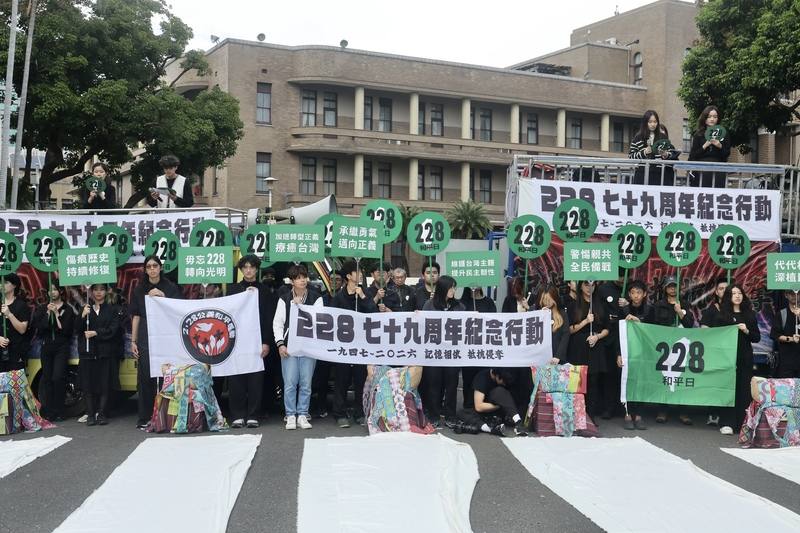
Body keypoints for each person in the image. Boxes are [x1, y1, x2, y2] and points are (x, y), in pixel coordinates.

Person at [130, 255, 182, 429]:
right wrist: (133, 340)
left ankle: (169, 415)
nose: (152, 269)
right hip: (146, 334)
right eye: (149, 266)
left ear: (160, 267)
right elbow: (136, 316)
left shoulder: (170, 287)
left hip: (167, 335)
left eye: (155, 265)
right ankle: (145, 417)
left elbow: (178, 311)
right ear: (145, 270)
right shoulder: (139, 289)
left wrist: (162, 296)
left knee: (167, 375)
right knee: (145, 376)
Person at [274, 263, 323, 430]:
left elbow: (319, 320)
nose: (302, 280)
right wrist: (280, 344)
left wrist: (300, 307)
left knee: (306, 382)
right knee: (289, 382)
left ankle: (302, 413)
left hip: (309, 346)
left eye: (304, 277)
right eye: (298, 278)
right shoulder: (284, 298)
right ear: (292, 281)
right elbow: (278, 323)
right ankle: (290, 415)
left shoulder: (316, 297)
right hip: (289, 346)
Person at [227, 255, 273, 428]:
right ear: (241, 269)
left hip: (257, 340)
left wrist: (266, 341)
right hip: (236, 340)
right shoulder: (233, 289)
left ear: (256, 269)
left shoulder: (265, 290)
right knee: (236, 377)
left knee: (256, 379)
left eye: (252, 267)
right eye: (245, 267)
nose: (248, 270)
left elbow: (269, 318)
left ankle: (254, 414)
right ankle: (237, 415)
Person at [331, 260, 377, 428]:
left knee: (360, 380)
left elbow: (374, 313)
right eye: (357, 272)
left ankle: (359, 412)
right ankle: (340, 413)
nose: (360, 275)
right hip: (343, 346)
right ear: (349, 276)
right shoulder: (339, 297)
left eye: (361, 272)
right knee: (341, 380)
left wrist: (363, 297)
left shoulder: (365, 293)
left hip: (361, 345)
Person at [714, 284, 760, 435]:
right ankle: (727, 422)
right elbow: (716, 337)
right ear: (728, 296)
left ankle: (743, 422)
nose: (737, 296)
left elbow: (756, 337)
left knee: (744, 390)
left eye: (739, 293)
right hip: (728, 358)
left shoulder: (750, 314)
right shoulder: (722, 315)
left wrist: (746, 330)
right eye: (733, 293)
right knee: (728, 389)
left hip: (745, 357)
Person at [422, 275, 465, 427]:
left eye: (454, 287)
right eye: (450, 287)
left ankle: (450, 415)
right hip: (434, 353)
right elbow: (422, 326)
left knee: (452, 386)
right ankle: (433, 415)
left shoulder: (459, 306)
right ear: (442, 289)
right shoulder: (429, 305)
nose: (453, 290)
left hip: (452, 354)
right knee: (434, 385)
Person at [76, 283, 121, 426]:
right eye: (95, 289)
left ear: (106, 292)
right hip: (88, 353)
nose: (98, 293)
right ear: (91, 291)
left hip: (104, 352)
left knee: (104, 384)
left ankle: (101, 413)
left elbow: (113, 330)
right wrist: (82, 316)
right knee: (88, 384)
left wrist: (97, 333)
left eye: (101, 289)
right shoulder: (85, 308)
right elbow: (76, 329)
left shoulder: (112, 310)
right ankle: (90, 414)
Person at [653, 275, 695, 425]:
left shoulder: (685, 304)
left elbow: (690, 324)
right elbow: (653, 325)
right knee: (664, 378)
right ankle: (662, 410)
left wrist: (679, 312)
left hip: (681, 347)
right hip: (664, 348)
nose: (672, 288)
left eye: (675, 286)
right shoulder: (658, 305)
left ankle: (683, 411)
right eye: (670, 286)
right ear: (665, 288)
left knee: (681, 377)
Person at [567, 280, 609, 422]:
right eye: (586, 284)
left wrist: (597, 336)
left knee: (593, 381)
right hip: (578, 346)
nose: (589, 287)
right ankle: (577, 414)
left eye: (592, 284)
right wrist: (585, 321)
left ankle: (590, 416)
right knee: (578, 381)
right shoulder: (574, 305)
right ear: (580, 286)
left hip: (595, 345)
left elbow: (607, 328)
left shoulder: (600, 304)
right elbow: (569, 330)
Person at [32, 283, 75, 421]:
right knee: (47, 378)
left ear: (61, 291)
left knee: (58, 377)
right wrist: (47, 313)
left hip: (61, 346)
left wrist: (56, 314)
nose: (53, 292)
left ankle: (60, 410)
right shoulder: (42, 308)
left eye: (55, 289)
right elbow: (39, 328)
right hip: (47, 346)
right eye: (50, 290)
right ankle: (49, 411)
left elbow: (66, 330)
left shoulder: (67, 309)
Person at [617, 279, 654, 430]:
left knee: (641, 382)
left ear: (644, 294)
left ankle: (638, 415)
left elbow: (654, 331)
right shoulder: (624, 310)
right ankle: (627, 413)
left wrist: (639, 322)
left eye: (639, 292)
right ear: (629, 295)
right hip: (627, 351)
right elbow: (617, 334)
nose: (636, 296)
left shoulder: (650, 310)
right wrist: (618, 354)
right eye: (633, 293)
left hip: (644, 352)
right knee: (626, 381)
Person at [596, 272, 628, 419]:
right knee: (608, 373)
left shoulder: (630, 289)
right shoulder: (603, 289)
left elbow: (637, 309)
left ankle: (623, 407)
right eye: (619, 275)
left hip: (626, 336)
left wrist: (627, 306)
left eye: (624, 275)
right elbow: (597, 308)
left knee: (623, 374)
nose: (622, 279)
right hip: (607, 336)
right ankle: (607, 407)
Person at [460, 287, 498, 409]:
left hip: (484, 347)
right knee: (468, 378)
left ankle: (483, 405)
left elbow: (494, 322)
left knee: (484, 377)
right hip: (468, 347)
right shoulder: (462, 302)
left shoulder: (489, 302)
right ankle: (468, 406)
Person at [455, 368, 523, 436]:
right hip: (481, 410)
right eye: (503, 381)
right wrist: (500, 406)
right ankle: (490, 429)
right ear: (497, 376)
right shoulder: (481, 379)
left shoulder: (502, 381)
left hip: (496, 409)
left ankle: (518, 421)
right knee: (461, 413)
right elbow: (479, 407)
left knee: (499, 391)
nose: (504, 384)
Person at [628, 109, 678, 185]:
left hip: (659, 174)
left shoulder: (663, 137)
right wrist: (644, 152)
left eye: (655, 122)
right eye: (650, 122)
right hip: (642, 174)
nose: (653, 124)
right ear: (645, 123)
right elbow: (631, 156)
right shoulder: (638, 137)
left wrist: (665, 154)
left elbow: (671, 152)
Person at [688, 105, 730, 188]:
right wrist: (705, 146)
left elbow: (727, 153)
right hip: (701, 171)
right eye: (709, 116)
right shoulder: (698, 134)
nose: (712, 119)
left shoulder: (724, 134)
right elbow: (693, 155)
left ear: (718, 119)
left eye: (715, 117)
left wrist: (719, 146)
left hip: (718, 171)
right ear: (705, 118)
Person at [0, 273, 31, 373]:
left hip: (16, 352)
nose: (1, 284)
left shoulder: (21, 305)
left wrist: (9, 314)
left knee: (15, 386)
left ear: (14, 285)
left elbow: (22, 329)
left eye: (5, 282)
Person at [538, 285, 570, 365]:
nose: (547, 303)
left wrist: (558, 356)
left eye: (549, 300)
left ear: (555, 298)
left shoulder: (562, 314)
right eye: (544, 300)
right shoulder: (537, 313)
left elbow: (565, 335)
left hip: (557, 357)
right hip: (540, 357)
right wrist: (541, 315)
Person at [772, 290, 800, 378]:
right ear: (786, 295)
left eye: (797, 293)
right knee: (787, 389)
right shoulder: (781, 314)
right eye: (791, 294)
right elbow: (774, 335)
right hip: (786, 362)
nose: (794, 296)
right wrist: (790, 339)